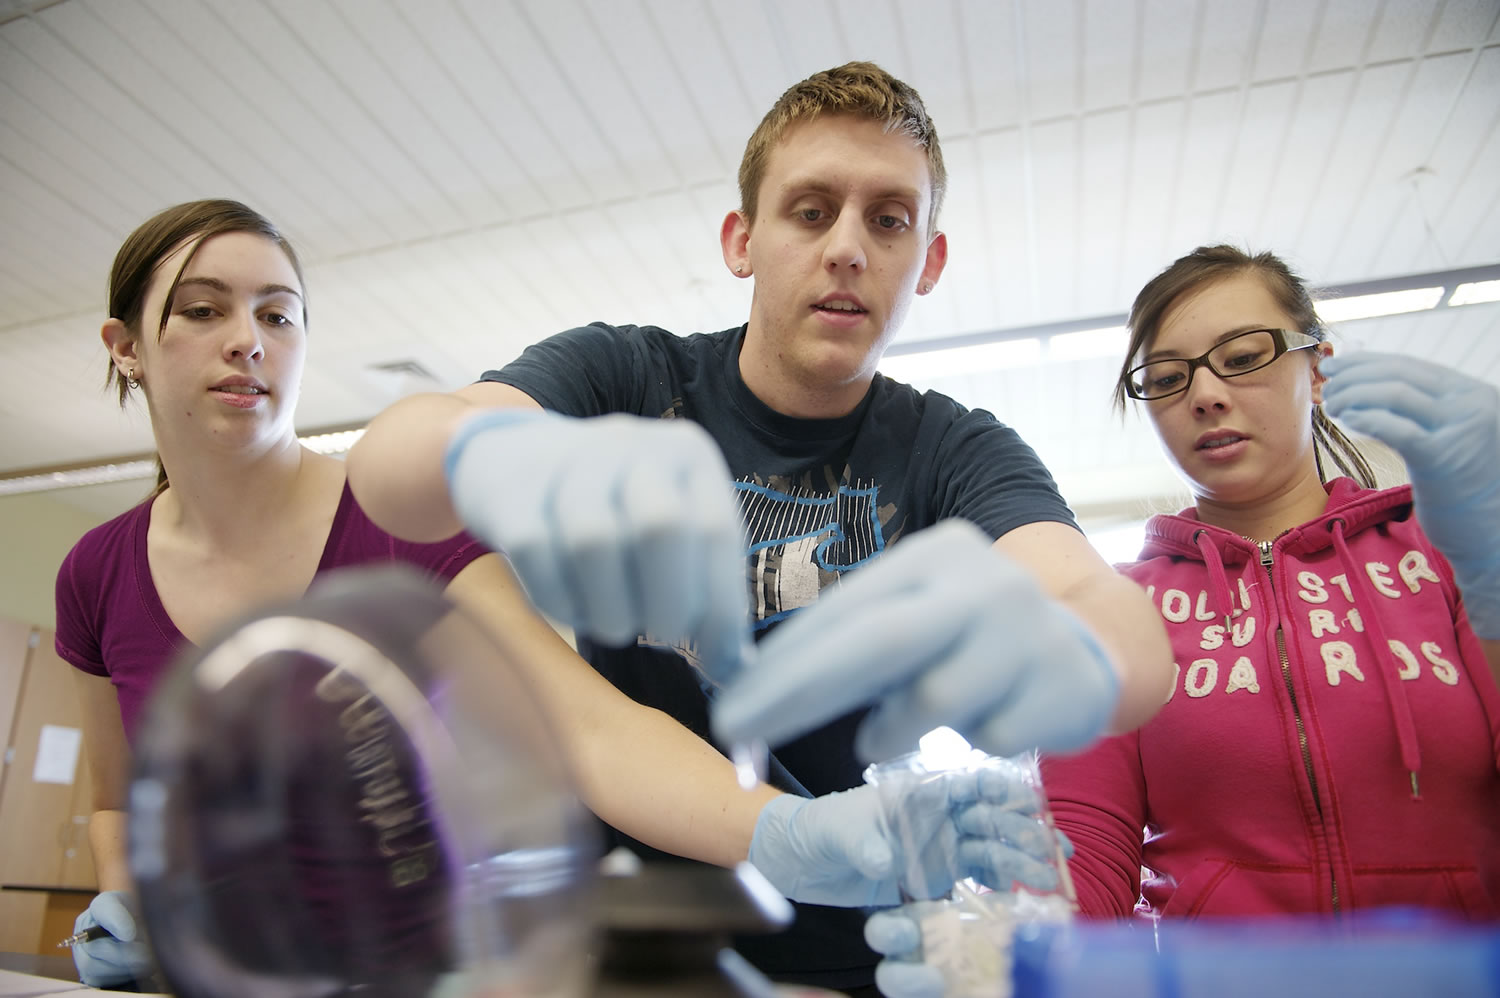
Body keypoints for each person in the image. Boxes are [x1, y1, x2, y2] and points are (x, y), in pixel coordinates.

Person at [56, 200, 1051, 993]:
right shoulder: (96, 572)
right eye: (203, 308)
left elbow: (589, 730)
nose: (249, 339)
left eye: (278, 313)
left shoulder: (402, 522)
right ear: (125, 343)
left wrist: (788, 831)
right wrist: (133, 903)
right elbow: (117, 794)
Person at [346, 62, 1173, 992]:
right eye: (811, 211)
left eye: (889, 220)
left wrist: (1083, 648)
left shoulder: (952, 449)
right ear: (743, 240)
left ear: (929, 262)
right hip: (631, 944)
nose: (848, 249)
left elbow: (1107, 612)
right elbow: (390, 466)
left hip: (858, 949)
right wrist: (484, 455)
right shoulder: (630, 380)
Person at [863, 244, 1500, 996]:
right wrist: (998, 926)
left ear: (1317, 368)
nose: (1205, 394)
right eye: (1167, 378)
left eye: (1242, 356)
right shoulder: (1121, 611)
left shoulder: (1446, 554)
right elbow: (1090, 853)